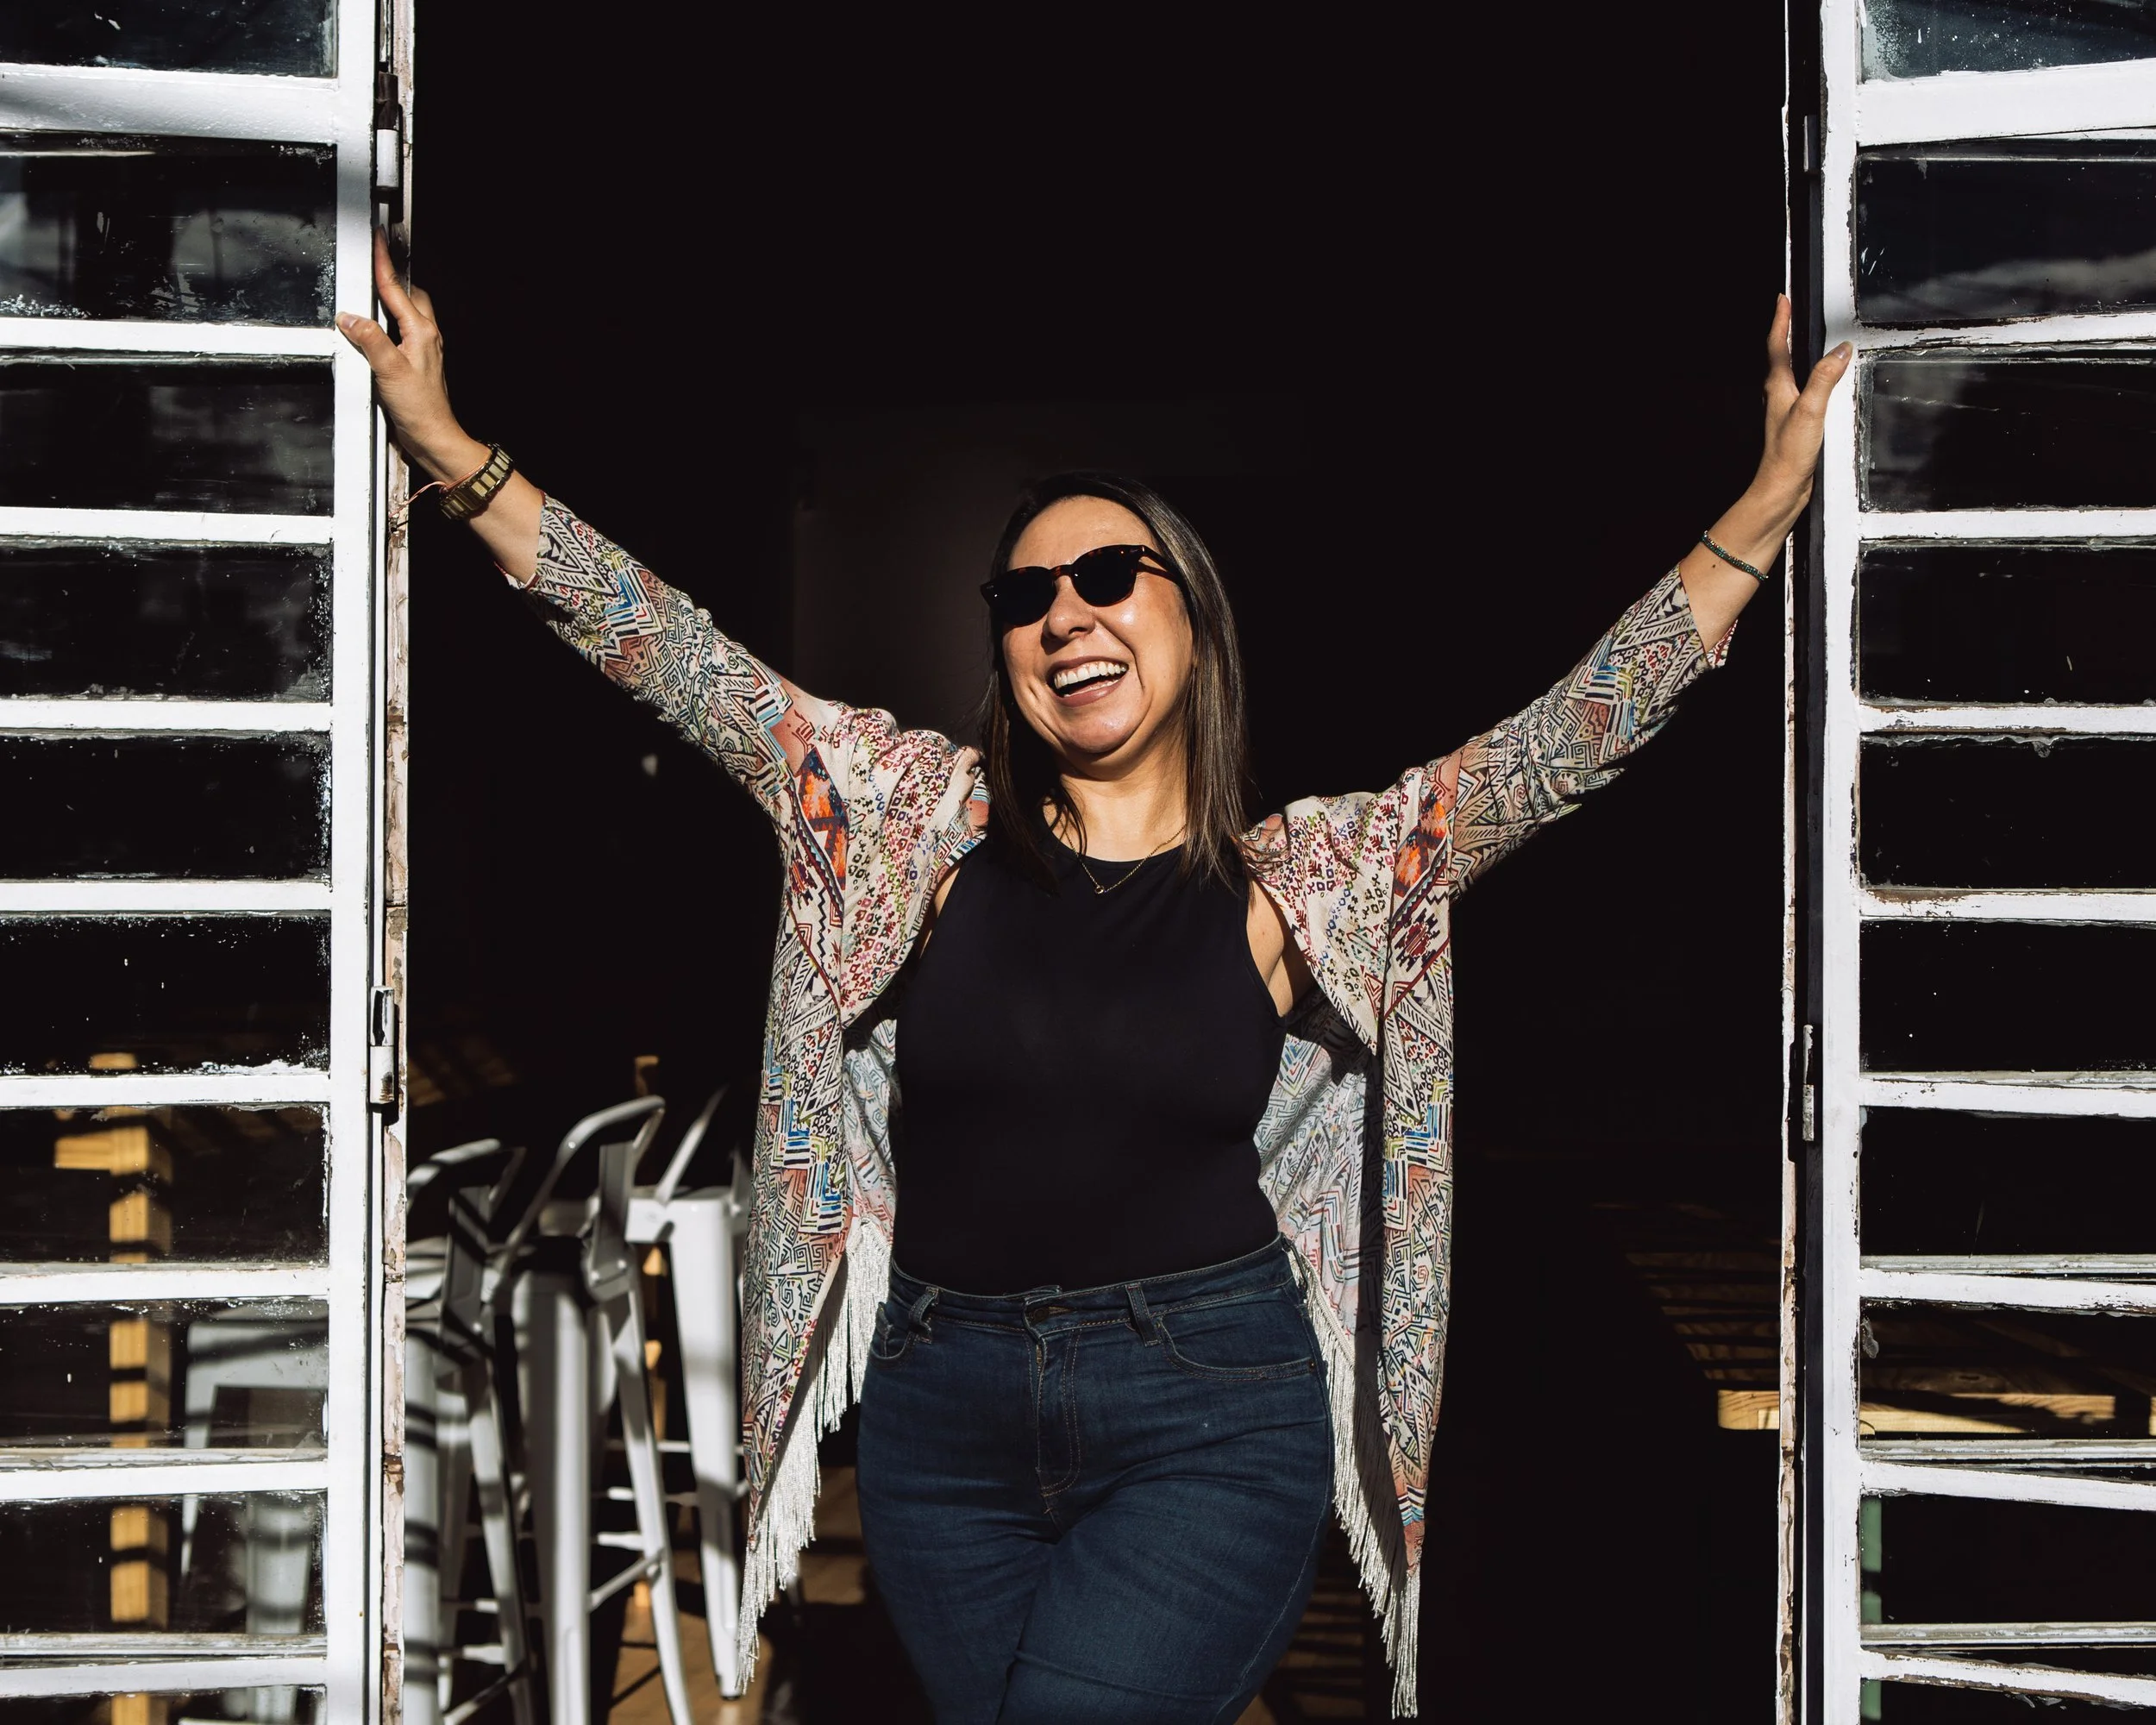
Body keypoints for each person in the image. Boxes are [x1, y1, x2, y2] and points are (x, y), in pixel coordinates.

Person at [341, 235, 1850, 1722]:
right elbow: (667, 649)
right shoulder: (902, 824)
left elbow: (1561, 743)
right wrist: (451, 447)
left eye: (1110, 577)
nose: (1065, 614)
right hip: (943, 1425)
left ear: (1192, 616)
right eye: (1025, 597)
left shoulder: (1310, 880)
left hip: (1210, 1413)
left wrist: (1770, 500)